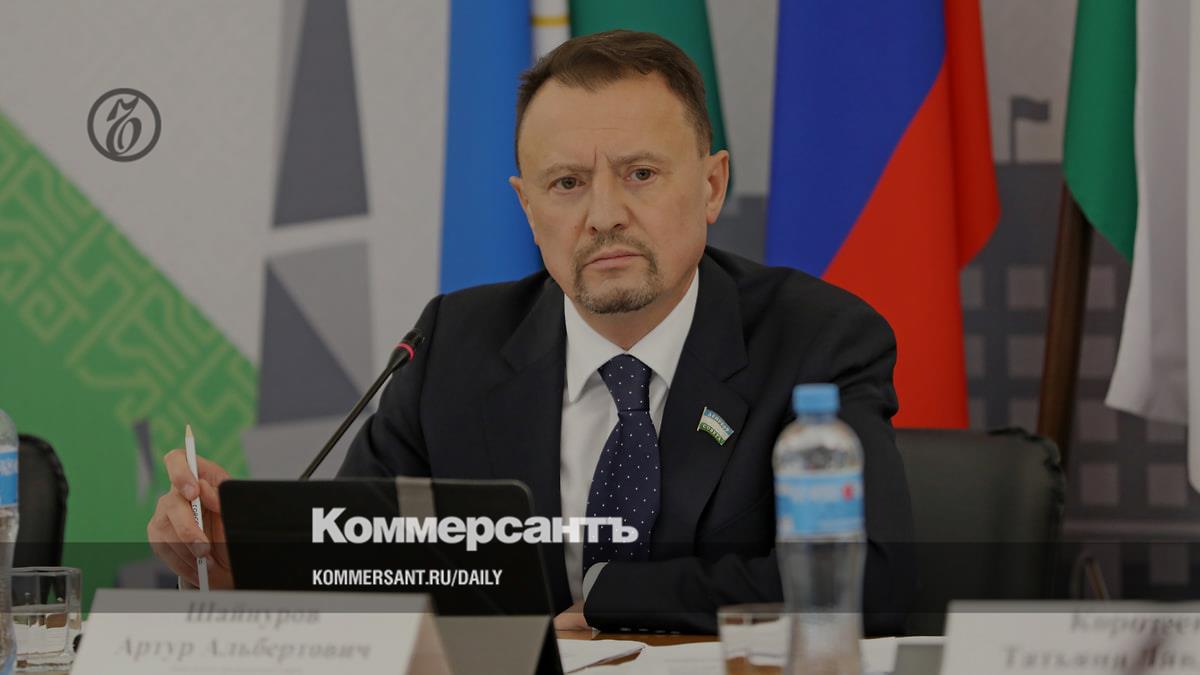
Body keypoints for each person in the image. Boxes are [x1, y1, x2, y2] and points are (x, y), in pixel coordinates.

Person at [148, 29, 916, 634]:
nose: (604, 214)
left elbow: (870, 582)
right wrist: (243, 561)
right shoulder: (452, 346)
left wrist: (614, 595)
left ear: (711, 185)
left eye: (640, 174)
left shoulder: (817, 341)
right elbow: (358, 568)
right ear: (527, 206)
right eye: (567, 183)